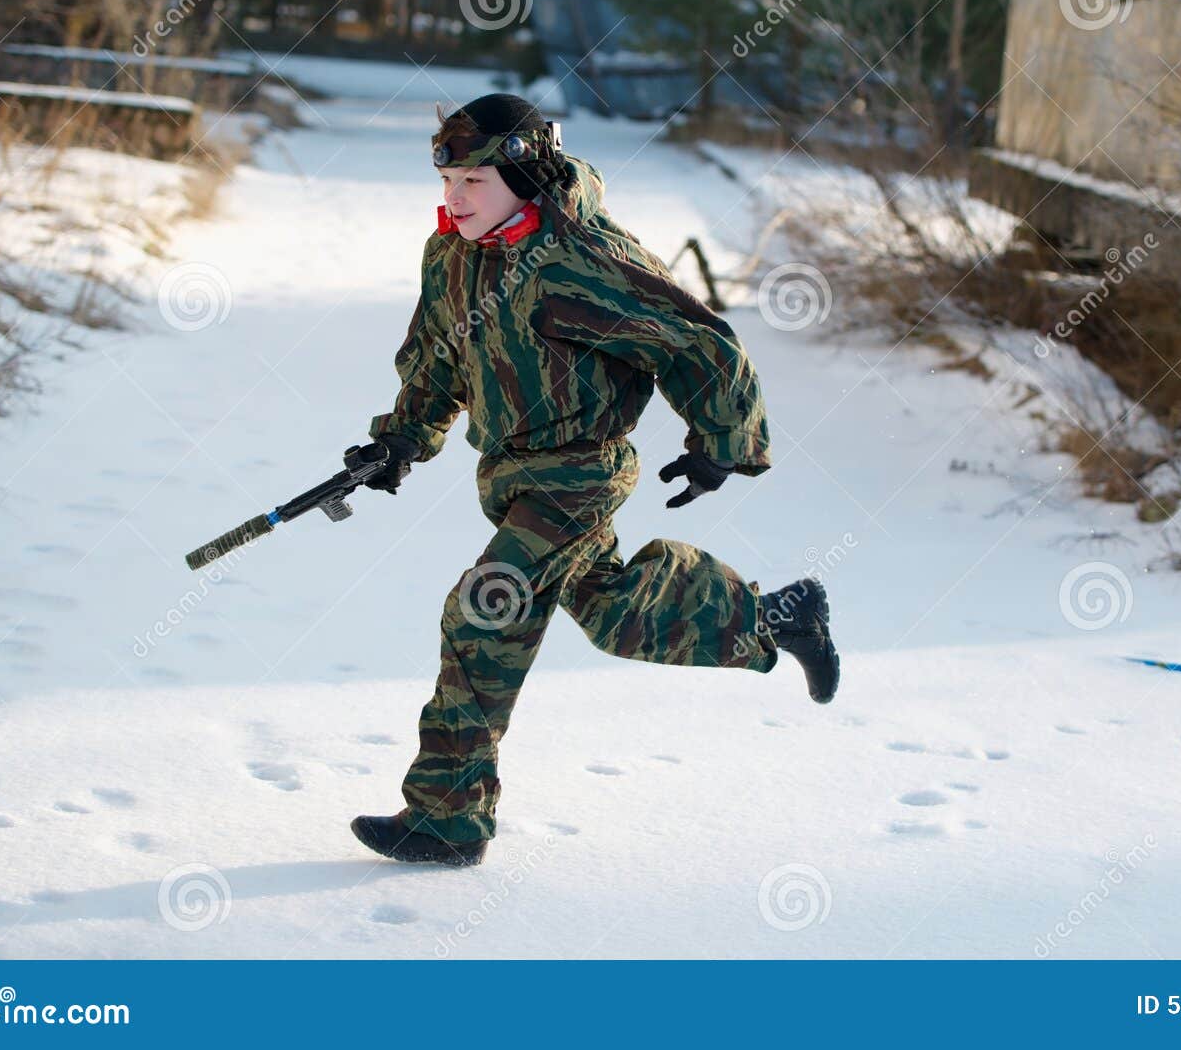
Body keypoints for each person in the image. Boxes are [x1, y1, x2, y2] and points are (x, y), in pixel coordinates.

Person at [347, 93, 839, 867]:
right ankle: (775, 618)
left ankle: (446, 820)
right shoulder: (452, 256)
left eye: (475, 181)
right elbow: (438, 360)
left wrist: (719, 442)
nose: (454, 198)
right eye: (446, 180)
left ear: (523, 173)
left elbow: (697, 341)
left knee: (484, 612)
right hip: (514, 475)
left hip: (580, 473)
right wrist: (398, 442)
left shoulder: (578, 260)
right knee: (616, 614)